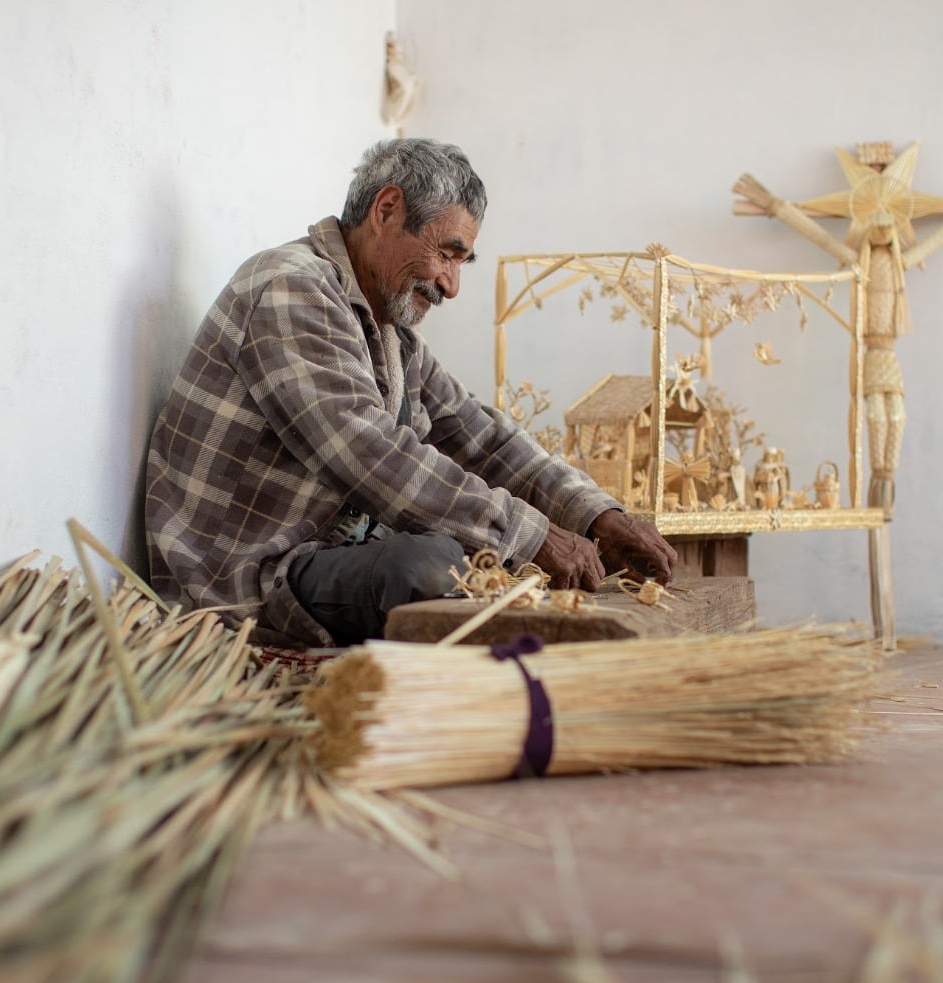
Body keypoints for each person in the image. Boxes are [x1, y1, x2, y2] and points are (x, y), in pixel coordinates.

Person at [144, 138, 675, 646]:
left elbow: (482, 440)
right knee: (431, 565)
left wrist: (597, 516)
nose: (451, 285)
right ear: (387, 210)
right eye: (447, 254)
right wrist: (530, 536)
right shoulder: (290, 287)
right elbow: (371, 456)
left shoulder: (393, 335)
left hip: (320, 562)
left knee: (449, 556)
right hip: (244, 584)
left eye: (461, 263)